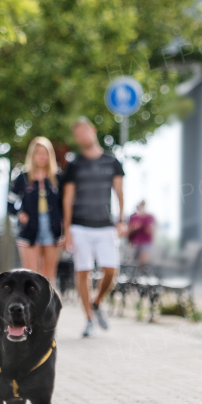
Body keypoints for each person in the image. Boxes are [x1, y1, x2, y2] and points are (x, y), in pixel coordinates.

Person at [62, 117, 125, 338]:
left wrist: (121, 219)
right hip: (80, 226)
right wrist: (67, 230)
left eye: (84, 131)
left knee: (111, 270)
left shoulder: (112, 162)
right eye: (77, 134)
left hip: (105, 225)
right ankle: (88, 319)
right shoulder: (74, 164)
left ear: (93, 131)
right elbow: (67, 198)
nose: (81, 137)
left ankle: (97, 302)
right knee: (83, 271)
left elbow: (119, 192)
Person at [9, 136, 64, 280]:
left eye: (45, 153)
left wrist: (63, 223)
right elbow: (10, 204)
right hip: (29, 229)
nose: (42, 156)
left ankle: (47, 302)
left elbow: (64, 205)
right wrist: (20, 215)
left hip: (52, 230)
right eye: (38, 152)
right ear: (32, 155)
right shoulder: (23, 179)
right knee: (31, 275)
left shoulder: (57, 179)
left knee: (48, 276)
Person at [127, 201, 155, 265]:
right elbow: (128, 230)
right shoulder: (134, 217)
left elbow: (150, 230)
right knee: (132, 261)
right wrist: (134, 227)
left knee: (143, 259)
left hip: (145, 243)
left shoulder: (149, 217)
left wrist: (143, 226)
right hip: (134, 243)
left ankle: (142, 270)